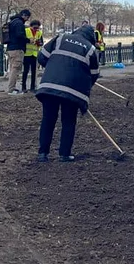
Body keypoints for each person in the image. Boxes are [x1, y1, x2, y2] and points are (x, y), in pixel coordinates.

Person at [35, 25, 100, 162]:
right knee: (69, 121)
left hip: (50, 86)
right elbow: (94, 74)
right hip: (73, 91)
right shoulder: (91, 49)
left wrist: (55, 66)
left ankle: (43, 153)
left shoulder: (60, 38)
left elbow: (42, 57)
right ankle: (64, 154)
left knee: (48, 119)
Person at [6, 9, 31, 95]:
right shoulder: (19, 23)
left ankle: (11, 87)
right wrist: (28, 40)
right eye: (27, 17)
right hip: (17, 48)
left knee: (12, 68)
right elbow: (19, 35)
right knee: (15, 69)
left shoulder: (13, 21)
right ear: (24, 15)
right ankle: (11, 89)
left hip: (10, 48)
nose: (27, 19)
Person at [22, 20, 43, 93]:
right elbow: (23, 40)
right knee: (26, 71)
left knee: (34, 72)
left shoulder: (39, 32)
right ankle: (23, 87)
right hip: (27, 54)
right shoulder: (26, 31)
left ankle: (32, 87)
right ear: (31, 26)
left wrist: (39, 43)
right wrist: (29, 41)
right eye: (35, 28)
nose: (36, 29)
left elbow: (41, 42)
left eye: (37, 28)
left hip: (34, 54)